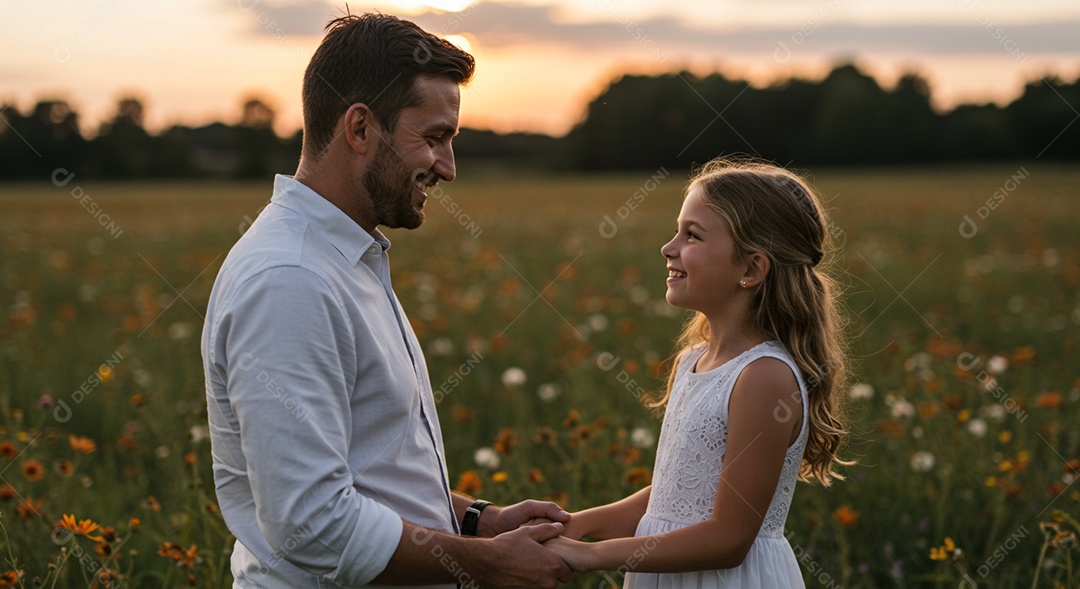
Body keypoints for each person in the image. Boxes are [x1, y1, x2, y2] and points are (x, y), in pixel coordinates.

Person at [201, 13, 573, 589]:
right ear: (359, 129)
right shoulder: (291, 280)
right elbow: (312, 524)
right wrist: (490, 563)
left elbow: (370, 465)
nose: (447, 168)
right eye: (434, 138)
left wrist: (477, 521)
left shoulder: (346, 258)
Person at [544, 157, 851, 588]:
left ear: (750, 269)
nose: (669, 247)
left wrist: (591, 555)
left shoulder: (763, 378)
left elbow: (729, 538)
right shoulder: (693, 359)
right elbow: (676, 493)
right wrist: (578, 524)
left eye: (692, 235)